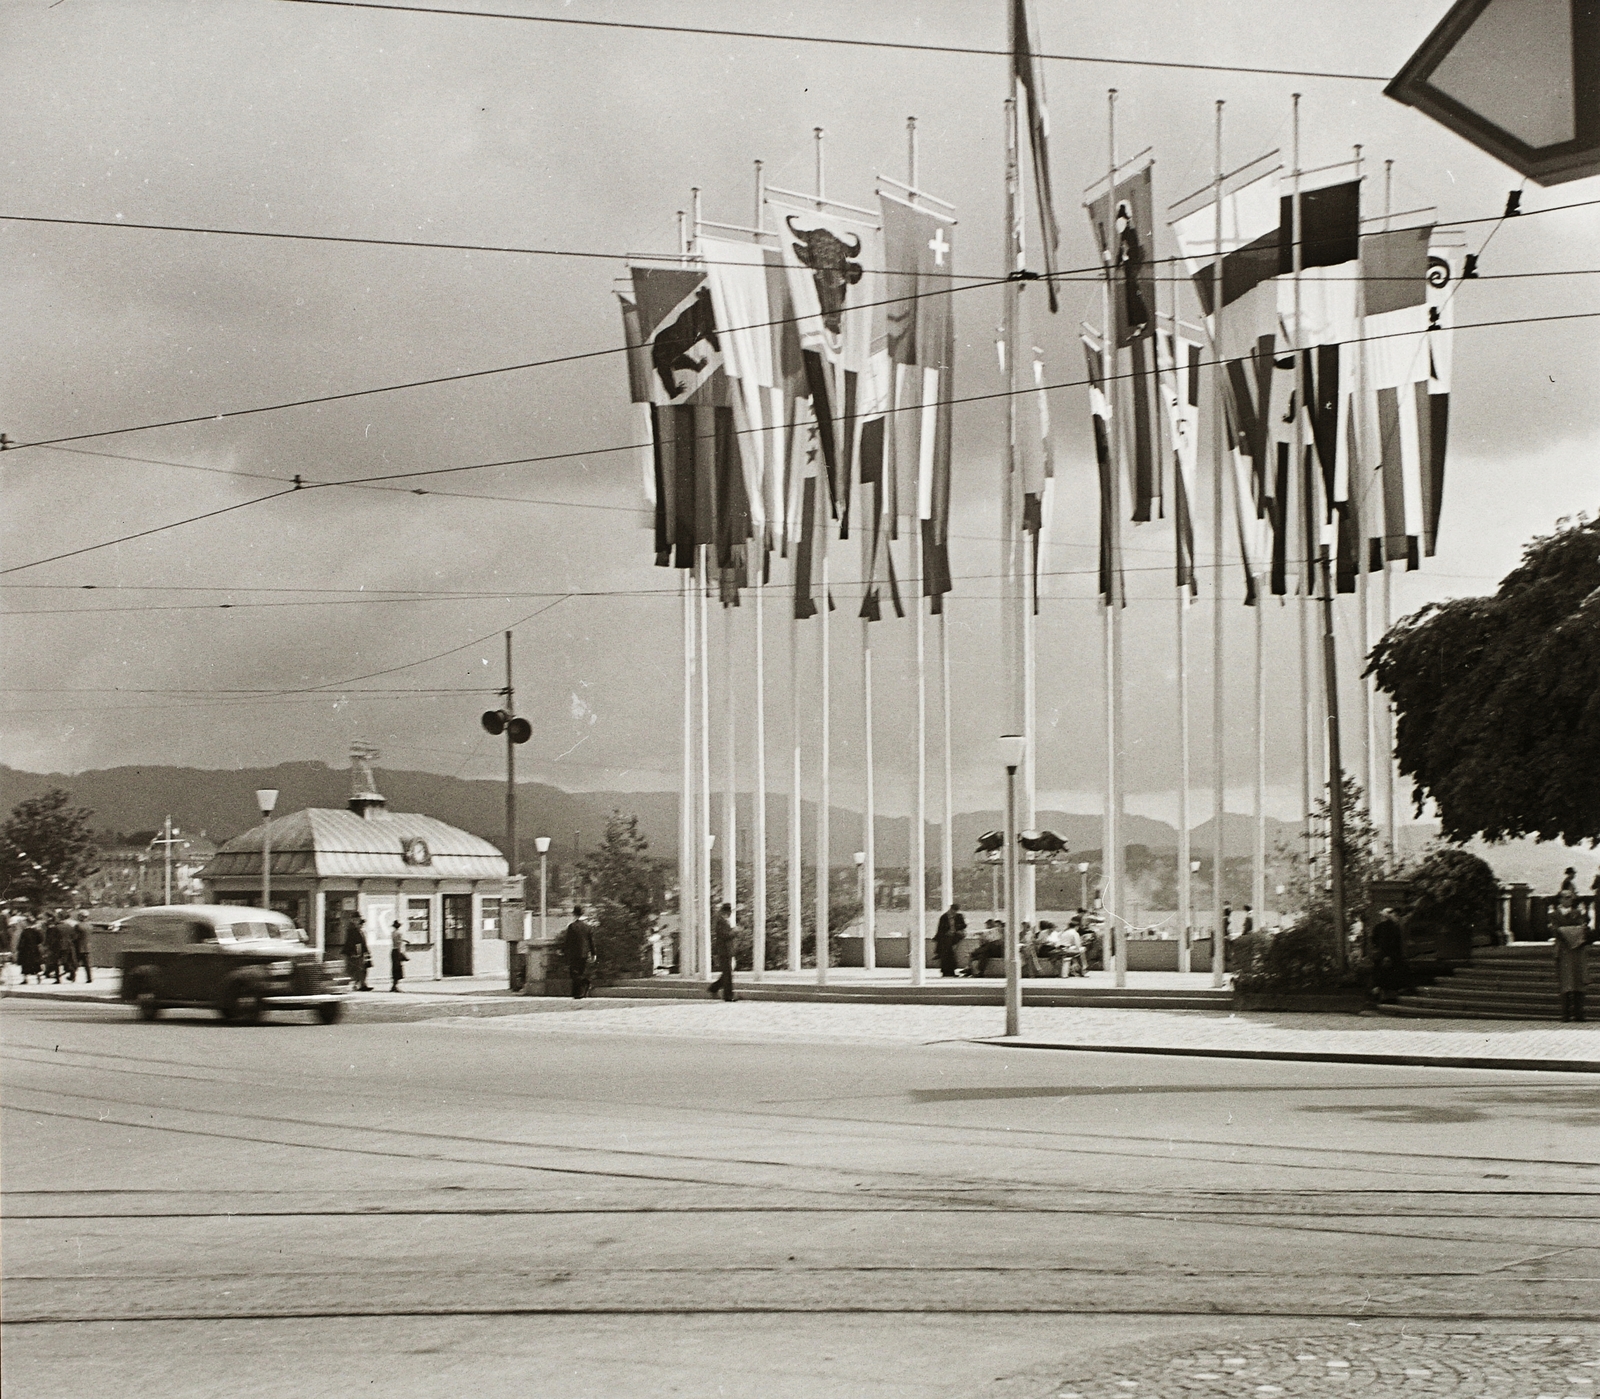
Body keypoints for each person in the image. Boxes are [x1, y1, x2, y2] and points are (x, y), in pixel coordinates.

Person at [1551, 888, 1590, 1023]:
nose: (1568, 900)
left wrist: (1568, 931)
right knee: (1566, 982)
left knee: (1578, 981)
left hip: (1577, 951)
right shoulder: (1555, 914)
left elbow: (1582, 927)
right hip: (1563, 950)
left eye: (1570, 897)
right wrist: (1573, 931)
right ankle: (1566, 1014)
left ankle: (1579, 1014)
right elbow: (1555, 930)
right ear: (1560, 899)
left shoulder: (1577, 913)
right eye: (1565, 897)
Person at [1370, 907, 1411, 1004]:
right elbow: (1387, 942)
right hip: (1390, 956)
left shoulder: (1383, 926)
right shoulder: (1389, 927)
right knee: (1388, 976)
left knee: (1384, 976)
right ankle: (1387, 996)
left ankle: (1382, 995)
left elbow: (1375, 941)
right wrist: (1387, 955)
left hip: (1385, 955)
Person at [564, 905, 597, 1000]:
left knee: (574, 973)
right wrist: (593, 953)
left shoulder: (572, 926)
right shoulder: (588, 927)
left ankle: (584, 984)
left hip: (574, 953)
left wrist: (564, 951)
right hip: (584, 953)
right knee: (580, 972)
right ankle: (578, 993)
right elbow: (591, 941)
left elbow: (568, 941)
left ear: (574, 914)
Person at [708, 902, 736, 1001]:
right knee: (727, 974)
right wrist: (734, 931)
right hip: (724, 951)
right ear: (726, 912)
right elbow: (725, 935)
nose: (730, 914)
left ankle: (713, 989)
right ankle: (728, 996)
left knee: (727, 973)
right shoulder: (721, 921)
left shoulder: (724, 921)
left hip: (726, 951)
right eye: (729, 912)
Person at [933, 901, 966, 978]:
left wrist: (955, 929)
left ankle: (951, 971)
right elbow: (940, 929)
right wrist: (947, 932)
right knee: (946, 954)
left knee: (950, 954)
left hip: (955, 937)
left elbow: (963, 925)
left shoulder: (959, 916)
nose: (954, 912)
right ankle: (946, 971)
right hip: (945, 938)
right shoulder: (944, 917)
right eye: (953, 910)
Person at [344, 916, 371, 991]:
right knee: (358, 969)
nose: (361, 926)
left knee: (363, 969)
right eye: (360, 924)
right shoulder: (354, 932)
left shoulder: (361, 932)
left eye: (362, 924)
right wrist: (357, 953)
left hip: (362, 953)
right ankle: (358, 984)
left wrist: (367, 952)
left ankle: (362, 984)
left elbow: (363, 943)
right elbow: (357, 944)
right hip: (357, 954)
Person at [16, 917, 43, 984]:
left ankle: (25, 979)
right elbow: (40, 940)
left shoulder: (24, 932)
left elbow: (22, 942)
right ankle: (38, 977)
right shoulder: (35, 931)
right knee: (35, 965)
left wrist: (19, 948)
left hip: (26, 951)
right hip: (34, 950)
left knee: (25, 966)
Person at [69, 913, 92, 983]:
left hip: (79, 946)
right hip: (87, 947)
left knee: (75, 963)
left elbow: (75, 936)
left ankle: (72, 976)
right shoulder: (90, 925)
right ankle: (89, 978)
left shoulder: (78, 926)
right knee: (87, 964)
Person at [389, 921, 408, 993]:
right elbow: (399, 942)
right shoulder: (399, 933)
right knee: (398, 968)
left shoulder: (392, 933)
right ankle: (395, 986)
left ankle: (394, 985)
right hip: (397, 951)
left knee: (395, 968)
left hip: (393, 950)